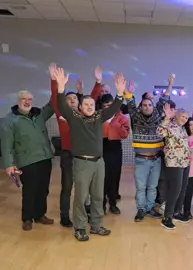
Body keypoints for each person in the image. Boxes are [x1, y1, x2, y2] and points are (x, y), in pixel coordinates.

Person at [54, 67, 125, 241]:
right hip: (82, 163)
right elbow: (62, 106)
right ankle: (79, 227)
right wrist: (61, 89)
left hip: (99, 163)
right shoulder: (74, 117)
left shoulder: (99, 116)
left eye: (91, 104)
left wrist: (120, 93)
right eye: (85, 104)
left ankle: (96, 225)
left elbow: (114, 107)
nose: (89, 107)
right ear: (79, 107)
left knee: (98, 196)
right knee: (80, 197)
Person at [49, 63, 105, 227]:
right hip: (68, 155)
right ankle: (65, 215)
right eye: (69, 98)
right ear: (65, 102)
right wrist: (55, 81)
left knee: (86, 190)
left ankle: (87, 214)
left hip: (84, 157)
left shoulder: (83, 116)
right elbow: (55, 98)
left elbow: (91, 100)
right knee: (67, 188)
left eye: (75, 99)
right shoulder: (62, 114)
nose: (72, 100)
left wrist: (98, 82)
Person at [1, 90, 55, 231]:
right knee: (30, 190)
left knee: (43, 189)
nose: (27, 101)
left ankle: (39, 215)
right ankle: (27, 218)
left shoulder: (40, 114)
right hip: (26, 160)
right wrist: (9, 164)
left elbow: (53, 104)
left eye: (30, 99)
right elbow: (6, 144)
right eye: (24, 99)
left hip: (44, 157)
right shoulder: (10, 119)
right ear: (18, 101)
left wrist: (57, 84)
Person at [125, 75, 172, 221]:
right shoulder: (135, 116)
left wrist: (170, 84)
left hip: (156, 159)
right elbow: (130, 101)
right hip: (141, 160)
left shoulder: (157, 115)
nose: (147, 107)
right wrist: (127, 91)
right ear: (140, 107)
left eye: (150, 105)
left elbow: (164, 98)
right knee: (141, 187)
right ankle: (140, 209)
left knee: (152, 187)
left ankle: (150, 207)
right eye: (144, 105)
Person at [157, 105, 191, 230]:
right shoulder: (169, 126)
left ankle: (177, 212)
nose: (185, 119)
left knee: (182, 189)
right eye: (183, 116)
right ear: (176, 116)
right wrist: (166, 118)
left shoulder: (182, 128)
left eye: (186, 117)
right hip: (173, 163)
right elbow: (160, 132)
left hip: (185, 162)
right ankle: (167, 217)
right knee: (175, 190)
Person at [101, 94, 130, 215]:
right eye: (105, 105)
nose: (108, 107)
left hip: (115, 148)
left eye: (110, 105)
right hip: (101, 147)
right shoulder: (99, 116)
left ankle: (112, 203)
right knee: (102, 177)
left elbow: (125, 134)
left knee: (114, 176)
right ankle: (101, 204)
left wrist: (115, 122)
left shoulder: (122, 117)